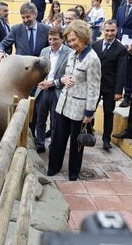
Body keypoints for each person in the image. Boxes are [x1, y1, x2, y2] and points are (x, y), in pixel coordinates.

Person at [47, 20, 101, 181]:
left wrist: (89, 112)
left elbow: (94, 88)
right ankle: (53, 167)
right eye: (69, 41)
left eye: (73, 40)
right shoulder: (72, 54)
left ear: (83, 37)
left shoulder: (92, 59)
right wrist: (63, 79)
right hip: (63, 105)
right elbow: (64, 75)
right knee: (58, 139)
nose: (71, 43)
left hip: (79, 109)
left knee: (77, 145)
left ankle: (73, 172)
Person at [0, 2, 49, 137]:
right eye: (23, 18)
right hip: (22, 78)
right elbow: (3, 43)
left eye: (28, 17)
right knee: (21, 109)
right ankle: (21, 135)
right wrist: (0, 51)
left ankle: (35, 139)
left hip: (40, 79)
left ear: (35, 15)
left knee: (38, 111)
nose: (25, 21)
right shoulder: (16, 29)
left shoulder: (46, 29)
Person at [35, 26, 72, 153]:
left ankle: (53, 146)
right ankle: (40, 143)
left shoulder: (70, 53)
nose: (52, 42)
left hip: (57, 91)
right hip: (42, 90)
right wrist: (39, 81)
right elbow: (39, 70)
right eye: (50, 39)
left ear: (62, 39)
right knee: (40, 120)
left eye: (55, 39)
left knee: (55, 123)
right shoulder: (44, 51)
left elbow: (68, 76)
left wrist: (52, 84)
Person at [92, 19, 127, 150]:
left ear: (116, 31)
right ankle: (89, 130)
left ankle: (106, 139)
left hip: (111, 87)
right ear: (102, 31)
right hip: (94, 85)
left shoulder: (121, 49)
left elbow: (121, 71)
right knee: (90, 109)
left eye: (112, 31)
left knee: (108, 112)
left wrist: (118, 91)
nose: (110, 33)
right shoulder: (95, 45)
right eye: (107, 30)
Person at [116, 0, 132, 107]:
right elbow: (117, 25)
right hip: (121, 43)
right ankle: (121, 94)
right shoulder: (120, 9)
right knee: (121, 70)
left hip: (131, 45)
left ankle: (128, 96)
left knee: (129, 71)